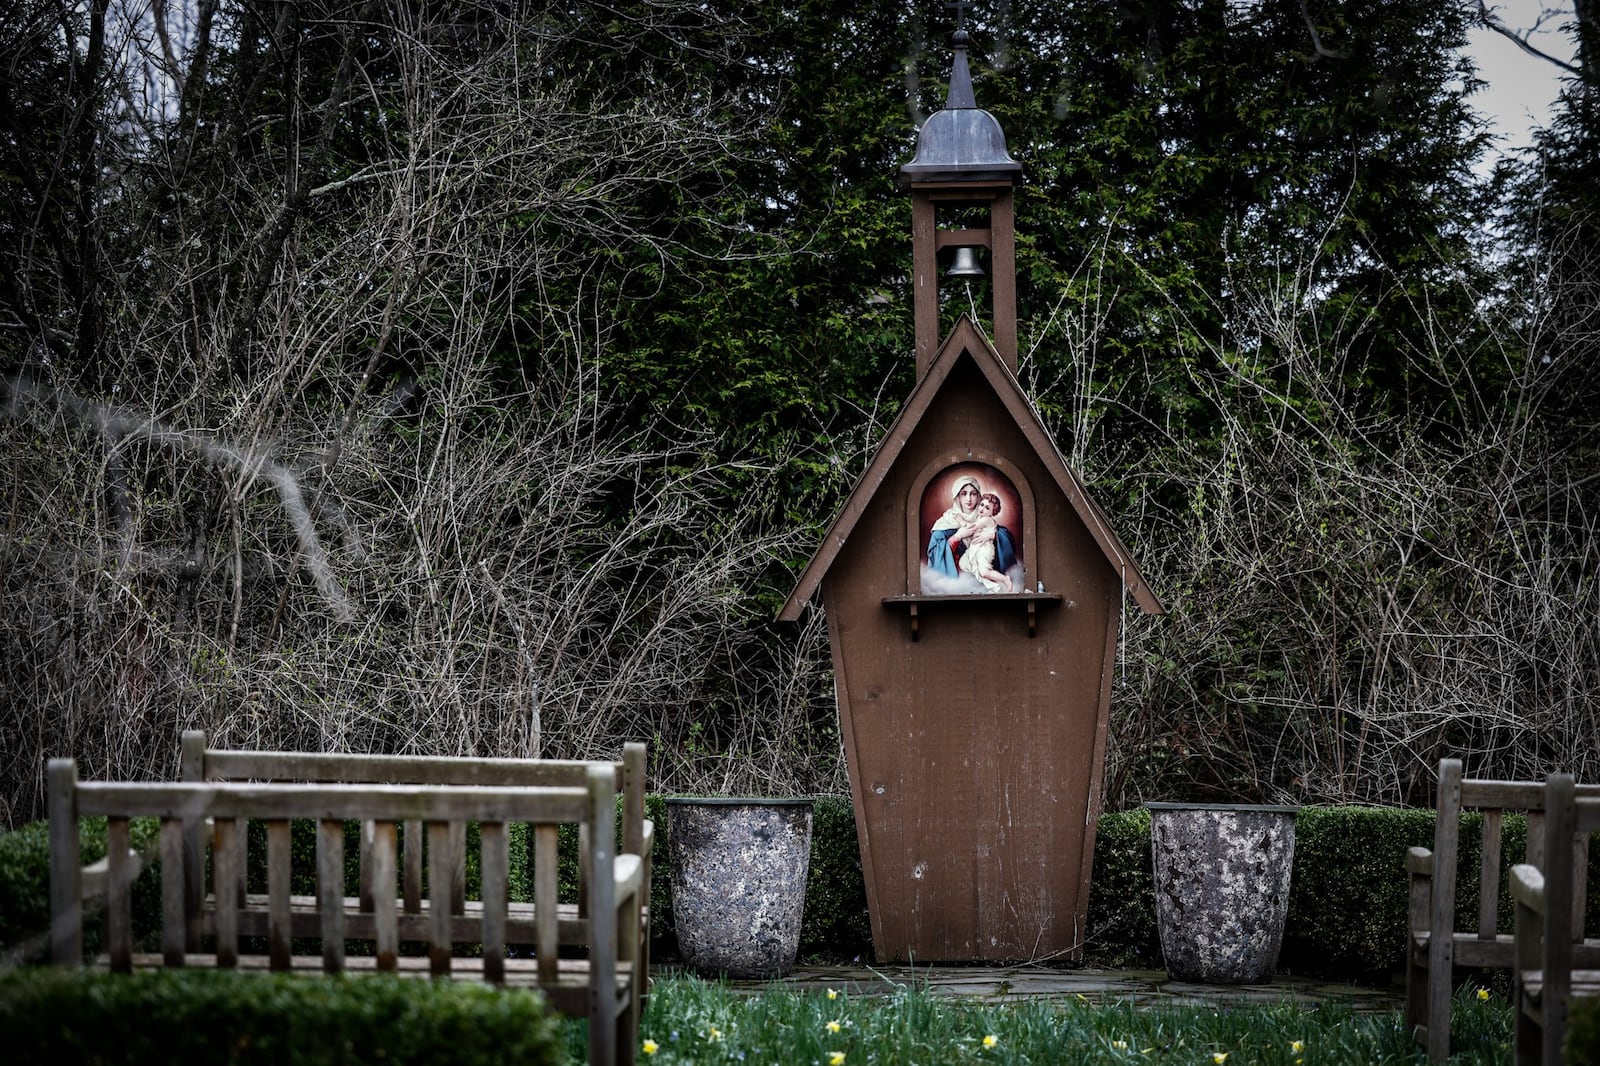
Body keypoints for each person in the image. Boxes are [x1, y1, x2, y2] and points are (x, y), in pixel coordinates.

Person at [925, 475, 1018, 590]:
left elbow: (1006, 538)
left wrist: (992, 536)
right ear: (957, 496)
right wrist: (957, 537)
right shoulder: (946, 521)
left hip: (980, 579)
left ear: (978, 496)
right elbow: (935, 553)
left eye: (973, 494)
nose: (969, 499)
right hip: (957, 581)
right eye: (964, 493)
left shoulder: (983, 517)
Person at [957, 493, 1012, 592]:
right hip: (976, 548)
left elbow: (971, 528)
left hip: (984, 549)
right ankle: (991, 586)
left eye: (987, 508)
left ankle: (1004, 579)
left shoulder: (987, 519)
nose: (982, 509)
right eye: (982, 505)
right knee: (964, 564)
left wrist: (960, 520)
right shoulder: (981, 518)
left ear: (992, 512)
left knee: (984, 572)